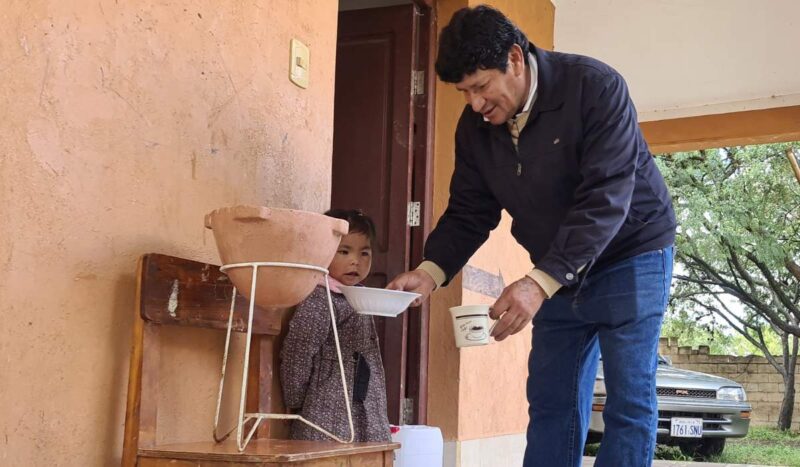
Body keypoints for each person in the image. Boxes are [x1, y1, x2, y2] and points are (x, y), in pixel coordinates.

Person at [386, 5, 676, 467]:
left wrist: (538, 282)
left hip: (632, 253)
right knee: (551, 402)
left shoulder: (595, 88)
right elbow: (469, 211)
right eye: (465, 93)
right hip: (555, 268)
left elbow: (606, 198)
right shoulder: (476, 129)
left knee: (628, 402)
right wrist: (429, 272)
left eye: (480, 87)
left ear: (516, 59)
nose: (475, 104)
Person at [280, 209, 391, 442]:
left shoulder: (360, 296)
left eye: (364, 253)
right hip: (326, 413)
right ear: (323, 251)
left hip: (363, 409)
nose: (355, 261)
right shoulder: (321, 299)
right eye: (344, 251)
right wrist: (298, 400)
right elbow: (298, 351)